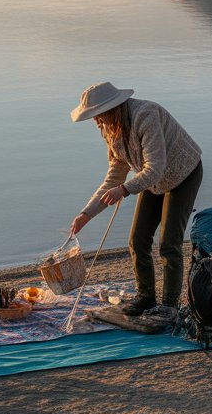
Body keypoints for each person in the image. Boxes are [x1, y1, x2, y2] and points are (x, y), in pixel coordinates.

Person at [70, 81, 203, 318]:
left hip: (183, 173)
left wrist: (124, 190)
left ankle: (169, 305)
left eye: (97, 115)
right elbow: (115, 175)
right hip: (152, 180)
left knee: (168, 243)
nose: (95, 121)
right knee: (137, 240)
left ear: (110, 108)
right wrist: (86, 214)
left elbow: (156, 168)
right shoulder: (111, 128)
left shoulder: (146, 115)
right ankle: (145, 297)